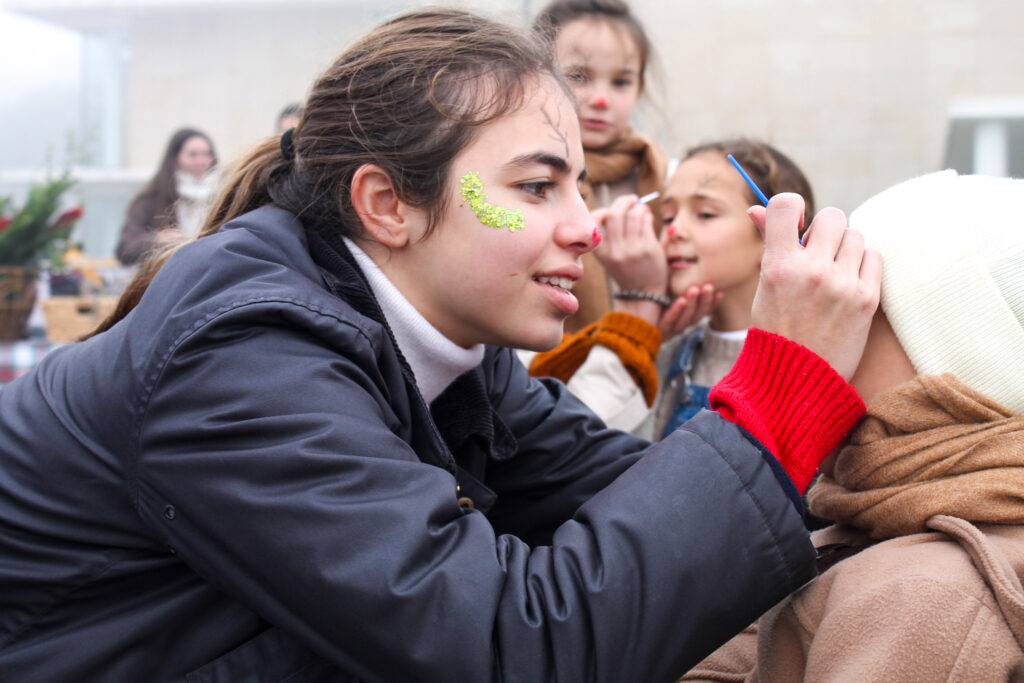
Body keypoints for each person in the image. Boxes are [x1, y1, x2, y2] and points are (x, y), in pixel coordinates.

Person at [0, 9, 880, 681]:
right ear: (387, 205)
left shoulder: (458, 353)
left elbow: (629, 493)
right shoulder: (241, 353)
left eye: (576, 183)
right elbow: (511, 644)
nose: (585, 227)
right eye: (536, 186)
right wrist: (782, 386)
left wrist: (889, 489)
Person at [682, 170, 1024, 681]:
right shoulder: (864, 531)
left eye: (859, 302)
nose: (824, 319)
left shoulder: (927, 598)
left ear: (950, 355)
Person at [531, 140, 814, 443]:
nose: (673, 230)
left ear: (774, 233)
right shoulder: (669, 351)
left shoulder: (810, 362)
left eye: (705, 214)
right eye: (667, 217)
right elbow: (583, 450)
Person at [533, 0, 669, 333]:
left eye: (621, 82)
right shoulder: (522, 175)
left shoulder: (666, 177)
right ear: (537, 74)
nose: (601, 99)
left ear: (640, 85)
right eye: (579, 76)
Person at [115, 127, 218, 265]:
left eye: (206, 154)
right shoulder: (152, 199)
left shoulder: (223, 194)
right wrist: (157, 240)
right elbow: (125, 249)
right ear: (175, 158)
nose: (201, 161)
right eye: (193, 155)